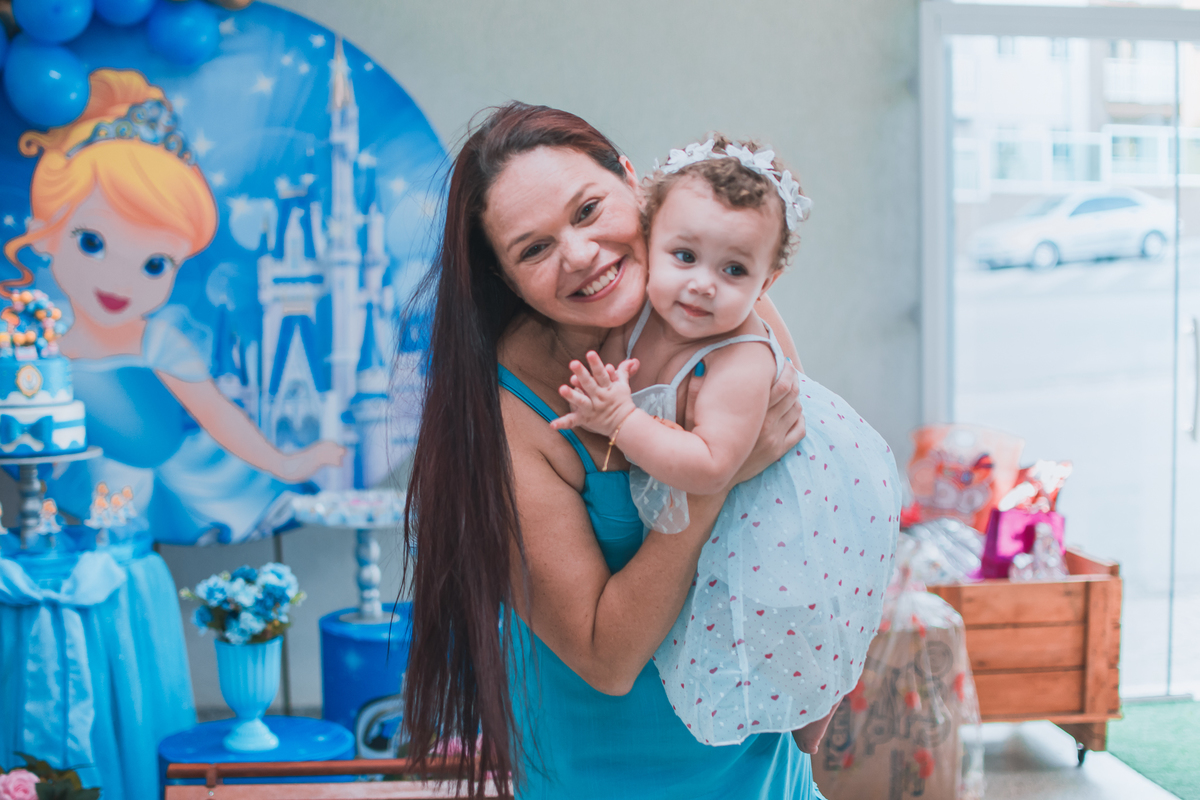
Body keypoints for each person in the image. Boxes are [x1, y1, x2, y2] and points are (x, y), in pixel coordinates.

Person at [403, 103, 823, 799]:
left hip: (763, 771)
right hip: (605, 777)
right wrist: (711, 478)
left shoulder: (718, 303)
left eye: (589, 209)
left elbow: (794, 490)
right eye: (534, 249)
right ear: (507, 279)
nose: (580, 254)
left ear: (635, 184)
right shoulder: (512, 413)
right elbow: (606, 657)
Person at [550, 136, 901, 753]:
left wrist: (619, 420)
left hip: (788, 506)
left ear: (769, 278)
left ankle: (812, 724)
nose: (703, 286)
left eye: (734, 270)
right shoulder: (643, 311)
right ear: (648, 240)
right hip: (721, 486)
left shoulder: (738, 357)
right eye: (684, 255)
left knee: (797, 615)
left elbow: (711, 467)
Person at [3, 68, 344, 543]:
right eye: (94, 242)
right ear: (48, 230)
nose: (120, 280)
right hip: (84, 495)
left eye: (155, 264)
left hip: (187, 483)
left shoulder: (162, 343)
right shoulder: (35, 339)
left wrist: (284, 462)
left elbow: (217, 414)